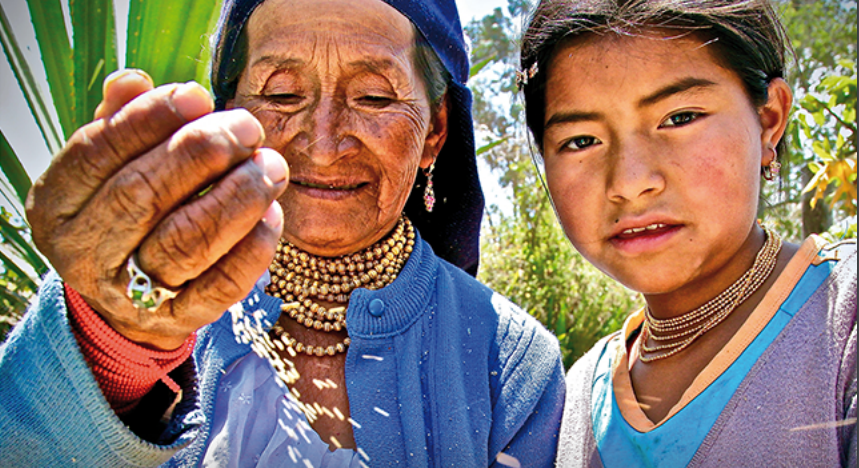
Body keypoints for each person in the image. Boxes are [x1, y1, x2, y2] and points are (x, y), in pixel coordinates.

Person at [0, 0, 566, 466]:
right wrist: (117, 343)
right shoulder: (127, 294)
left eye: (373, 97)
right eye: (280, 94)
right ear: (228, 111)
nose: (323, 143)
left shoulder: (511, 362)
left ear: (435, 132)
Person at [516, 0, 857, 466]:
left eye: (679, 118)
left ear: (768, 120)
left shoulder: (844, 324)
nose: (630, 182)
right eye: (581, 141)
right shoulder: (576, 396)